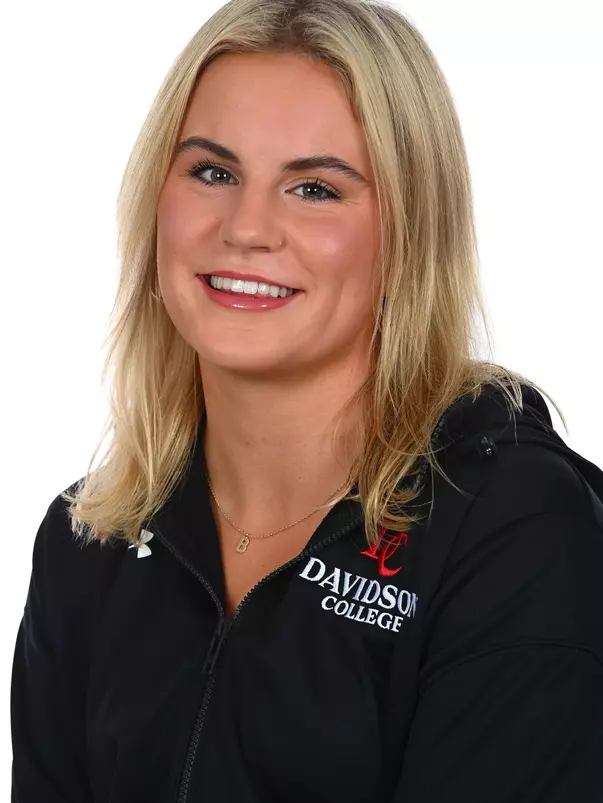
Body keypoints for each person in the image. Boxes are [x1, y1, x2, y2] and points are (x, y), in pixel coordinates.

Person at [10, 0, 603, 800]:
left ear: (409, 230)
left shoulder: (514, 530)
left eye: (315, 189)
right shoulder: (91, 540)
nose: (247, 228)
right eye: (212, 172)